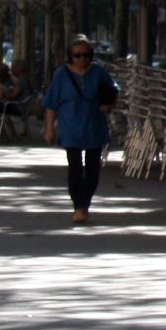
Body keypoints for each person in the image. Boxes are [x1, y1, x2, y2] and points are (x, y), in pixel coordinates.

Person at [40, 38, 118, 223]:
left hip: (94, 126)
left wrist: (109, 105)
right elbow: (51, 104)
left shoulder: (99, 73)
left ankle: (86, 202)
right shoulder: (61, 75)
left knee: (92, 170)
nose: (82, 59)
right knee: (74, 169)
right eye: (77, 55)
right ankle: (78, 207)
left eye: (86, 55)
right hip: (70, 127)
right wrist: (49, 129)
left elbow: (113, 91)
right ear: (70, 57)